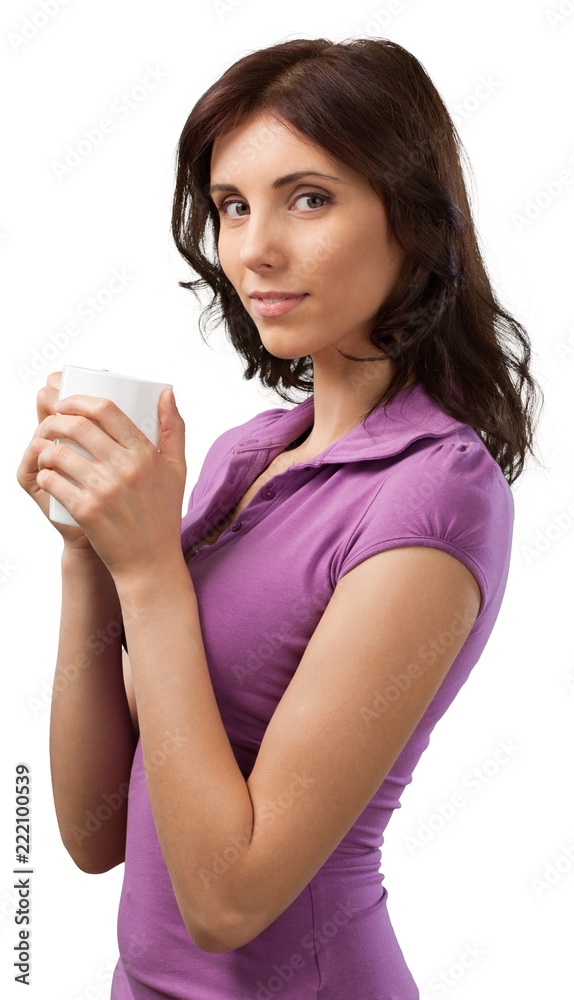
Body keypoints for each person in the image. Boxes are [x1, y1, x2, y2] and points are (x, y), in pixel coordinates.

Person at [16, 36, 544, 1000]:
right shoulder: (247, 454)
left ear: (413, 217)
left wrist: (150, 571)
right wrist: (91, 552)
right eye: (231, 205)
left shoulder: (434, 490)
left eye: (308, 198)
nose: (254, 248)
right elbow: (97, 831)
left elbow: (228, 904)